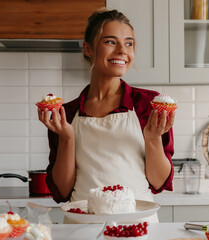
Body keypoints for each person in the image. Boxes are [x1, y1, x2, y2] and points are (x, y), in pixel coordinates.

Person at [38, 8, 175, 223]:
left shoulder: (148, 105)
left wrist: (153, 138)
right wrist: (66, 137)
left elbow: (158, 182)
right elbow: (63, 191)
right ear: (88, 49)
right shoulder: (66, 114)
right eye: (111, 42)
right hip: (81, 225)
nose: (122, 50)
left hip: (138, 223)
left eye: (129, 43)